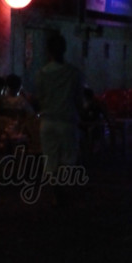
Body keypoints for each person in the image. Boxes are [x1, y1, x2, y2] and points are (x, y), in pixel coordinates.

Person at [35, 32, 83, 201]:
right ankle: (64, 190)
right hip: (67, 121)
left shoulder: (41, 73)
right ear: (64, 49)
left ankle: (56, 191)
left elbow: (39, 98)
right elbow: (78, 99)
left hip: (47, 121)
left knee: (50, 158)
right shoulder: (73, 73)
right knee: (68, 158)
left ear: (48, 51)